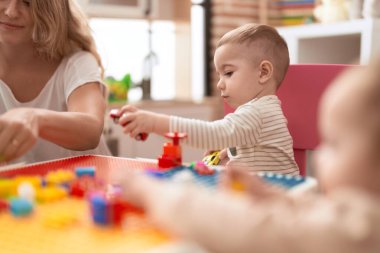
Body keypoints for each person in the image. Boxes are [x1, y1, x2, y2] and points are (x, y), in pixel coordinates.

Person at [115, 59, 380, 253]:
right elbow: (323, 215)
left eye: (333, 143)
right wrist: (269, 196)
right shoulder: (359, 217)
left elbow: (242, 227)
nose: (220, 83)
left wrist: (153, 192)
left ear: (264, 71)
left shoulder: (363, 229)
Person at [115, 23, 299, 175]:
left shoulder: (257, 113)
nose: (220, 84)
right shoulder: (263, 110)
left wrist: (153, 122)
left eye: (228, 73)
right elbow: (260, 153)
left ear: (263, 72)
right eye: (220, 75)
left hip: (276, 202)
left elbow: (211, 133)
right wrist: (232, 151)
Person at [0, 0, 111, 164]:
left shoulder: (75, 62)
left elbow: (91, 129)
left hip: (86, 183)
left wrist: (34, 118)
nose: (11, 12)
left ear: (49, 12)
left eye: (27, 3)